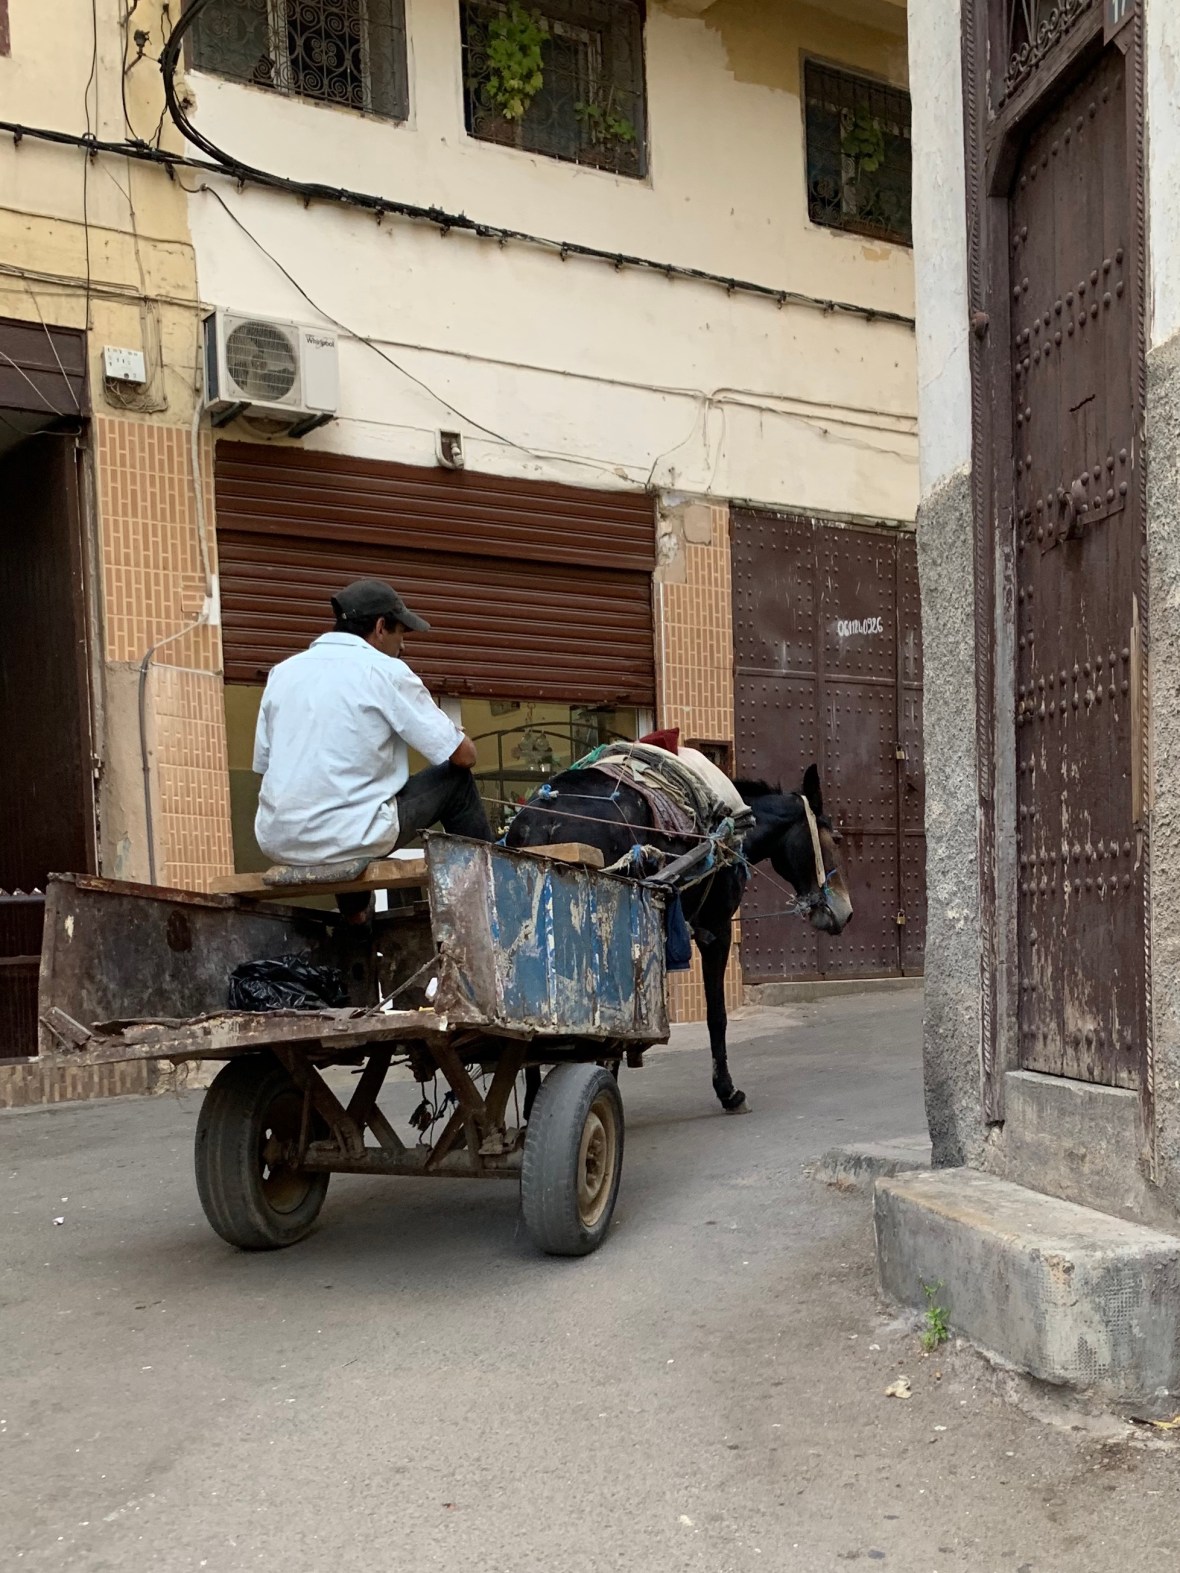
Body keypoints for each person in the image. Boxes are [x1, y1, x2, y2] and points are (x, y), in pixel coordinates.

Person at [252, 578, 493, 926]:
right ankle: (488, 899)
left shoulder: (282, 673)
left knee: (350, 804)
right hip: (352, 834)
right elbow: (463, 756)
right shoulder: (385, 671)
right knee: (456, 783)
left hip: (280, 838)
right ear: (380, 628)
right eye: (401, 634)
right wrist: (456, 735)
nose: (403, 647)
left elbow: (265, 765)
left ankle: (355, 919)